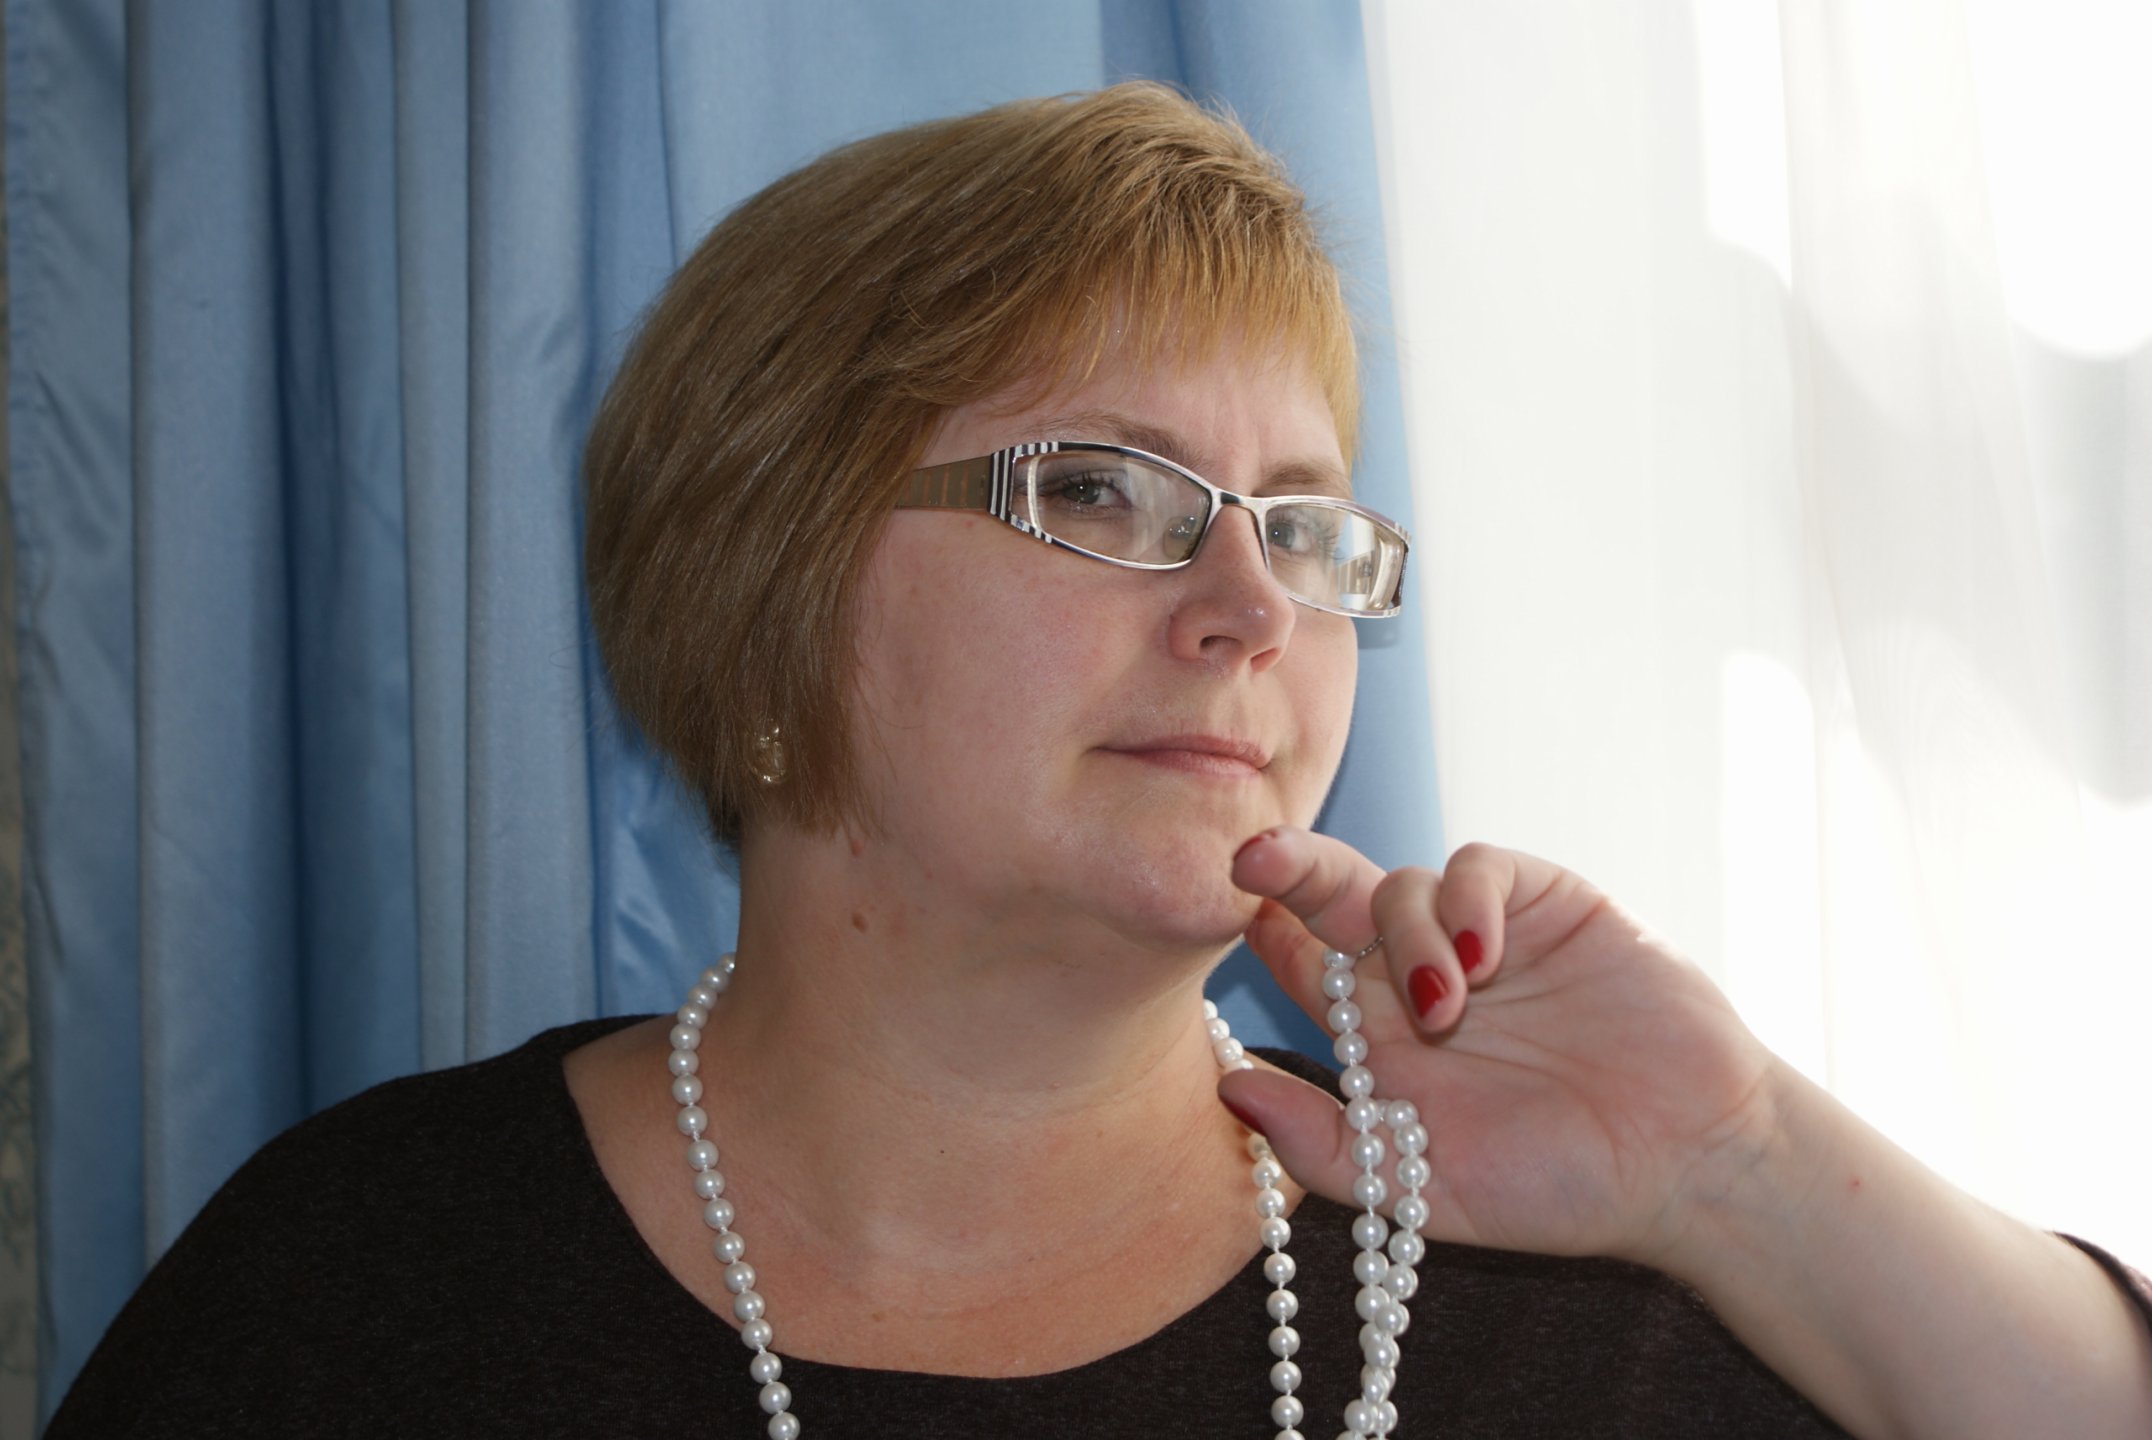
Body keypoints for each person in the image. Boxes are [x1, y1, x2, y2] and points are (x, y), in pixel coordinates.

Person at [49, 83, 2151, 1439]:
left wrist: (1736, 1169)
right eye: (1102, 491)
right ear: (764, 576)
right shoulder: (367, 1284)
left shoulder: (1563, 1285)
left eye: (1303, 524)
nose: (1249, 605)